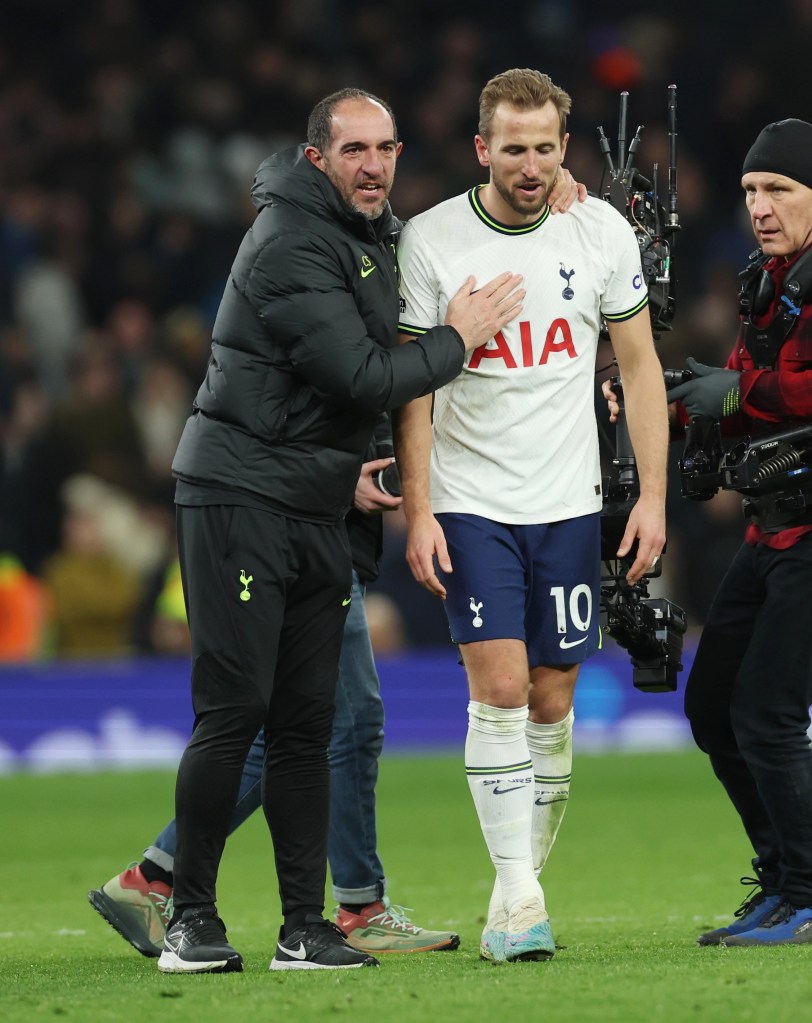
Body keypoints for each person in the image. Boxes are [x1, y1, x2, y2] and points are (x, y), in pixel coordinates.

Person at [152, 85, 532, 975]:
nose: (374, 166)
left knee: (305, 723)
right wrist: (459, 335)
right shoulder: (289, 240)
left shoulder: (367, 236)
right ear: (316, 157)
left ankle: (301, 928)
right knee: (236, 714)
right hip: (238, 502)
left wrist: (555, 203)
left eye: (387, 149)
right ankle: (190, 920)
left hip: (313, 499)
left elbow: (321, 389)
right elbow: (361, 373)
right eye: (355, 150)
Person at [392, 68, 668, 964]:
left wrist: (654, 496)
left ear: (564, 146)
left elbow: (641, 369)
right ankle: (519, 899)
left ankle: (517, 888)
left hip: (569, 505)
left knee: (553, 700)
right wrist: (421, 509)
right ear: (482, 148)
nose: (532, 165)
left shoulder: (599, 231)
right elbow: (414, 391)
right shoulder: (432, 240)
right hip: (473, 503)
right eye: (514, 148)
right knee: (501, 689)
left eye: (547, 147)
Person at [88, 448, 462, 958]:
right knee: (345, 722)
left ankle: (152, 877)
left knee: (289, 728)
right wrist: (337, 472)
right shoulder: (319, 373)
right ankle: (359, 908)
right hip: (308, 527)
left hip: (309, 525)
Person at [660, 118, 812, 946]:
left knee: (765, 710)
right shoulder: (770, 280)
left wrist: (729, 395)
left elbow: (784, 392)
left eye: (781, 188)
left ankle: (809, 890)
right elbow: (751, 389)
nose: (761, 204)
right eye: (753, 190)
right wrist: (692, 404)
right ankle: (784, 882)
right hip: (773, 528)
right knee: (715, 704)